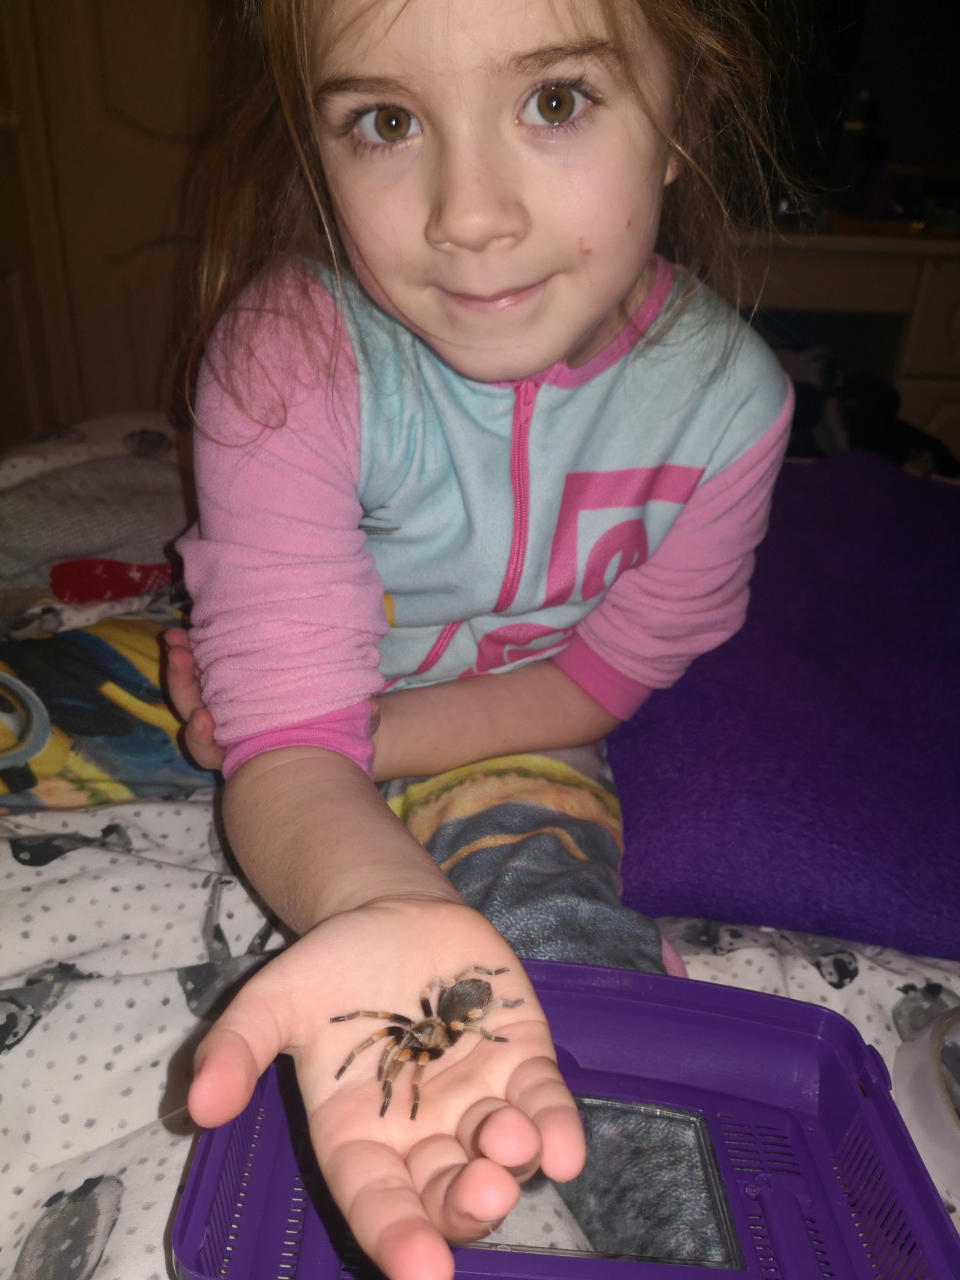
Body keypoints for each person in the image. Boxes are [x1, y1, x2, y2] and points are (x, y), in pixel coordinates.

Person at [167, 1, 793, 1275]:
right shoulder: (288, 362)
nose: (467, 215)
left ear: (682, 117)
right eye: (386, 122)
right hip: (288, 696)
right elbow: (285, 742)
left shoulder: (730, 414)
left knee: (554, 918)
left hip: (499, 718)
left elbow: (599, 679)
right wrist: (341, 827)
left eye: (555, 101)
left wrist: (355, 744)